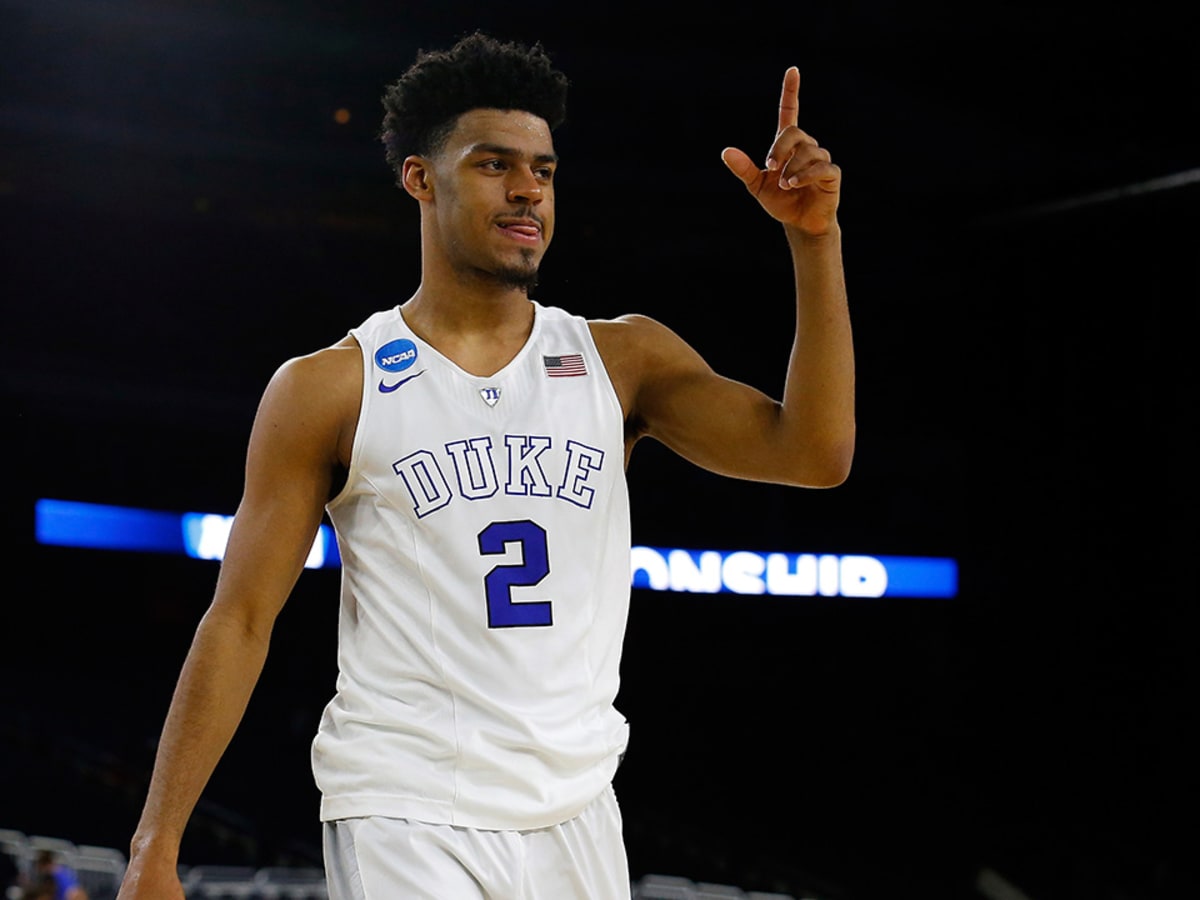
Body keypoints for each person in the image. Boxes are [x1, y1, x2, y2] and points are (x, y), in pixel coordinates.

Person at [116, 30, 854, 900]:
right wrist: (155, 844)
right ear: (420, 180)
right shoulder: (330, 387)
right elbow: (239, 619)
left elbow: (813, 455)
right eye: (494, 165)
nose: (527, 190)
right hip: (405, 806)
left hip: (577, 807)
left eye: (543, 170)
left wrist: (815, 242)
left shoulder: (622, 360)